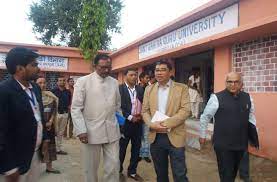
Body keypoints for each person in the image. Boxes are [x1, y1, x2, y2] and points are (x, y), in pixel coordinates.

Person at [0, 47, 49, 182]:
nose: (38, 69)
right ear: (19, 68)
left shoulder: (36, 89)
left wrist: (45, 137)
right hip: (16, 160)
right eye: (34, 65)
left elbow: (38, 117)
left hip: (35, 154)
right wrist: (9, 167)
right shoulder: (4, 91)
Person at [199, 72, 259, 182]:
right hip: (223, 144)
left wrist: (254, 135)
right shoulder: (216, 98)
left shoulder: (247, 97)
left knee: (235, 170)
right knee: (226, 174)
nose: (233, 84)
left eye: (236, 82)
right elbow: (205, 117)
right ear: (225, 83)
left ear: (241, 84)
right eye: (229, 82)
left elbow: (251, 117)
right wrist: (202, 135)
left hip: (241, 143)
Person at [71, 54, 121, 182]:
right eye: (102, 67)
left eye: (109, 67)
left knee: (114, 165)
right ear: (94, 66)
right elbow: (76, 108)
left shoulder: (114, 82)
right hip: (90, 132)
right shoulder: (83, 82)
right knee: (91, 168)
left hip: (112, 130)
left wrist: (120, 123)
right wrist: (81, 130)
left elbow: (117, 106)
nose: (106, 70)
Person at [142, 61, 191, 182]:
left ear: (170, 72)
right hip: (156, 137)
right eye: (157, 70)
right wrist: (152, 124)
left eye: (163, 69)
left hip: (175, 136)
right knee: (160, 174)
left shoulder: (182, 88)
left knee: (180, 174)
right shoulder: (149, 89)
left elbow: (185, 111)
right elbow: (145, 111)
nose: (159, 72)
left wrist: (164, 124)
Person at [119, 69, 144, 181]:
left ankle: (132, 171)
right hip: (124, 124)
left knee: (136, 148)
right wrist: (130, 117)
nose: (134, 77)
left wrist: (142, 115)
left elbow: (145, 103)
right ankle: (118, 170)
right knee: (121, 149)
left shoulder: (140, 89)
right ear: (125, 76)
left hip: (138, 123)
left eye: (135, 75)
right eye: (131, 75)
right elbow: (117, 107)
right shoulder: (119, 89)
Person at [36, 77, 60, 174]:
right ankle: (32, 169)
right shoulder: (33, 96)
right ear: (35, 84)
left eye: (44, 82)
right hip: (37, 127)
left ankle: (49, 167)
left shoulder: (51, 96)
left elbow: (54, 110)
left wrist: (50, 121)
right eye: (40, 83)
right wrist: (42, 123)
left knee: (50, 146)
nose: (42, 85)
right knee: (36, 147)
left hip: (49, 126)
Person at [52, 76, 71, 155]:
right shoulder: (53, 91)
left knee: (61, 132)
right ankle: (52, 149)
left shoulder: (68, 92)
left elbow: (69, 102)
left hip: (65, 114)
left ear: (65, 82)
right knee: (54, 132)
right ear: (57, 82)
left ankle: (58, 149)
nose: (62, 82)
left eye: (63, 80)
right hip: (56, 114)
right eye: (60, 80)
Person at [138, 72, 152, 163]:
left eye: (149, 78)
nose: (148, 79)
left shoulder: (150, 89)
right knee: (139, 137)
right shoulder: (136, 89)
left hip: (147, 116)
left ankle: (145, 154)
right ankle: (139, 154)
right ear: (141, 78)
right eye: (146, 78)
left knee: (146, 136)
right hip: (138, 117)